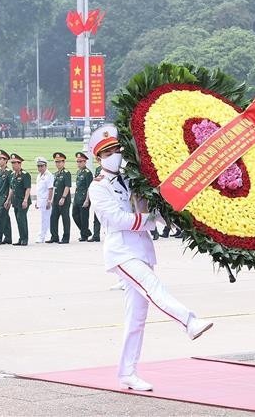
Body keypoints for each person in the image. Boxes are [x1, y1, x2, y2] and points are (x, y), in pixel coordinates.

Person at [87, 124, 213, 391]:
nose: (114, 155)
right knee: (154, 288)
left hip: (141, 250)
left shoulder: (132, 179)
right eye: (107, 152)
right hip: (121, 251)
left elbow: (151, 206)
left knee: (136, 318)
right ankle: (189, 322)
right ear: (98, 158)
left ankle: (127, 372)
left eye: (116, 149)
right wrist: (150, 220)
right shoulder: (97, 187)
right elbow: (118, 219)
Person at [47, 152, 71, 244]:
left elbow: (67, 186)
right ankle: (54, 236)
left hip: (64, 200)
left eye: (60, 162)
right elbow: (54, 188)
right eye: (56, 162)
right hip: (56, 199)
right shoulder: (56, 174)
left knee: (65, 219)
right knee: (53, 218)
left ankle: (66, 238)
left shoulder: (66, 173)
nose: (58, 164)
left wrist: (63, 197)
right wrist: (51, 199)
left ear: (64, 162)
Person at [8, 154, 31, 246]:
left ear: (19, 163)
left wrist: (25, 200)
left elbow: (28, 188)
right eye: (12, 163)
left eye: (14, 163)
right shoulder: (12, 175)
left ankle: (25, 238)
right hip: (16, 201)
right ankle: (21, 238)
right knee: (18, 220)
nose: (13, 165)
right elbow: (11, 189)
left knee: (21, 218)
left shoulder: (25, 175)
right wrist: (8, 200)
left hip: (23, 201)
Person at [0, 150, 13, 245]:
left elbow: (11, 187)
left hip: (5, 198)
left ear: (6, 160)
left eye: (0, 159)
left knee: (1, 218)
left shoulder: (9, 172)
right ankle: (8, 237)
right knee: (5, 217)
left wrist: (9, 199)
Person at [72, 152, 93, 242]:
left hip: (84, 198)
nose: (78, 163)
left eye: (80, 161)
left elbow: (89, 187)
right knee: (74, 215)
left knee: (84, 218)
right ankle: (86, 232)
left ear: (85, 162)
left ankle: (84, 235)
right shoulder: (79, 172)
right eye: (77, 161)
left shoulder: (88, 173)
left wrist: (87, 200)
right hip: (77, 198)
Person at [34, 156, 53, 243]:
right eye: (38, 166)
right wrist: (37, 201)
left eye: (42, 166)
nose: (40, 168)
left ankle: (43, 236)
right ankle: (44, 235)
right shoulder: (39, 176)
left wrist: (49, 201)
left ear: (46, 166)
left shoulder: (48, 175)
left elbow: (50, 189)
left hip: (46, 201)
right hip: (40, 201)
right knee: (43, 219)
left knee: (46, 219)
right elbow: (39, 190)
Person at [89, 164, 102, 242]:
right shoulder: (98, 169)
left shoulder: (110, 168)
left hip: (107, 195)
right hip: (98, 195)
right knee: (96, 217)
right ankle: (96, 235)